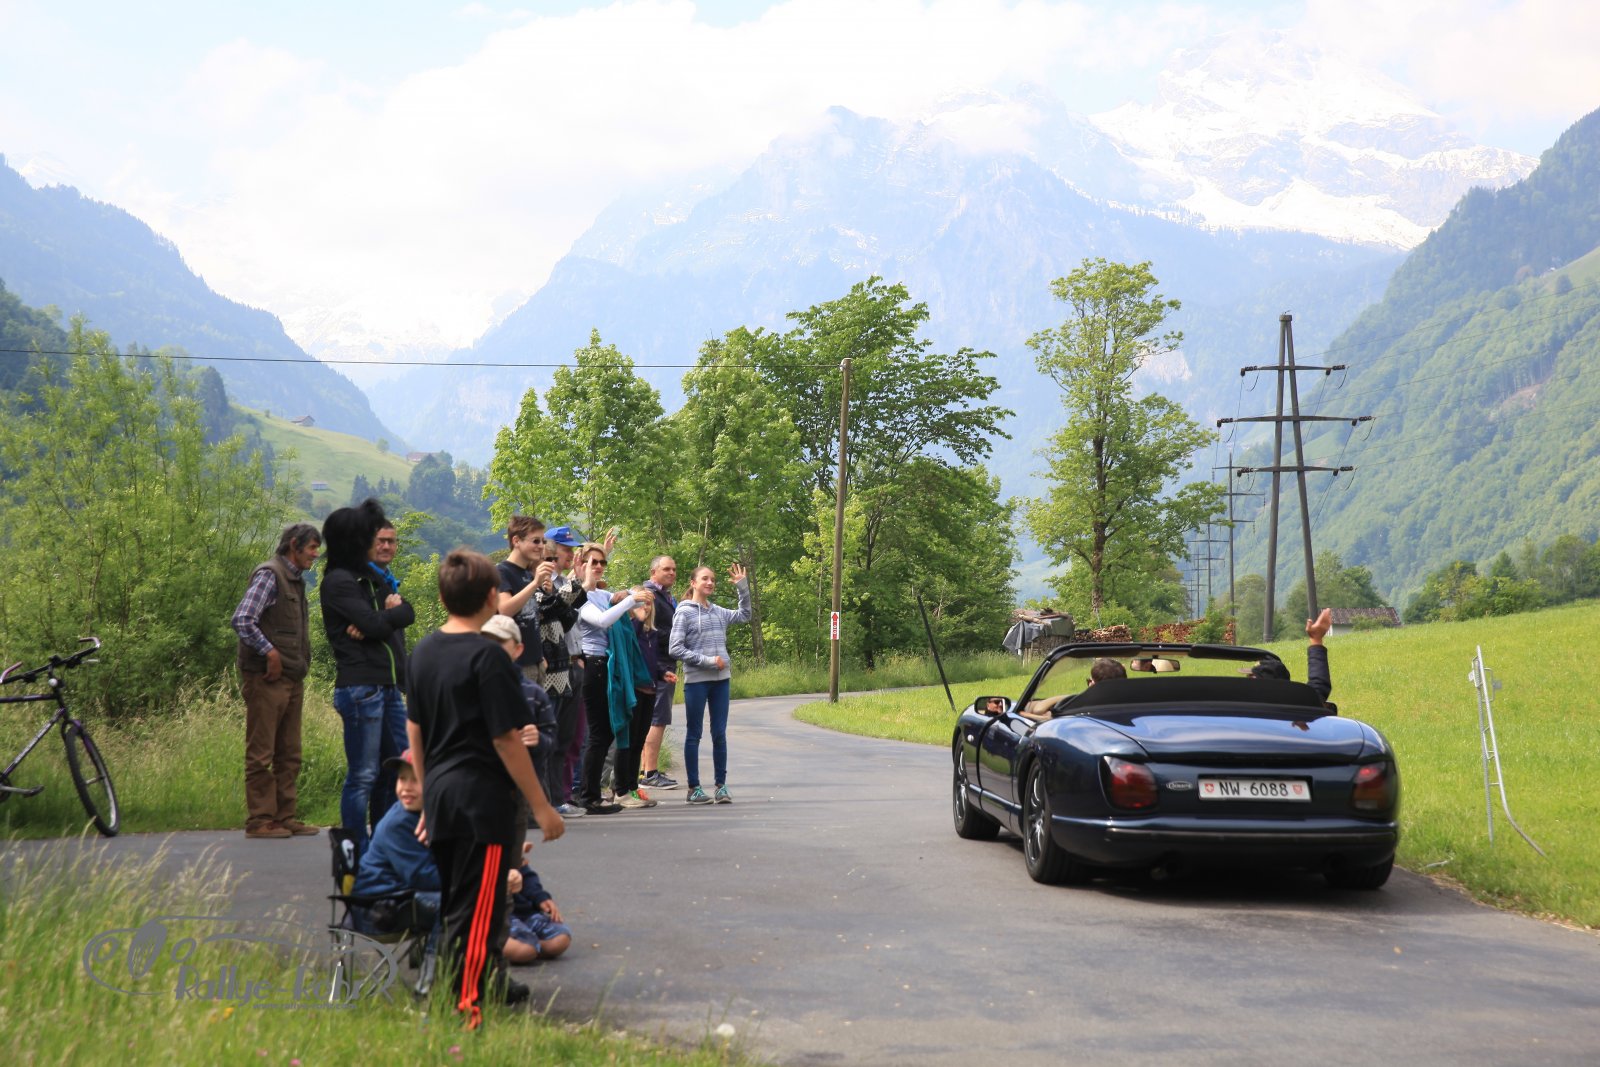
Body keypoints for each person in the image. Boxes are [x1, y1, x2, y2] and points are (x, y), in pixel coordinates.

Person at [405, 548, 564, 1028]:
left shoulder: (423, 651)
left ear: (441, 597)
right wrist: (542, 806)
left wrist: (427, 798)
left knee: (458, 903)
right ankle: (465, 1009)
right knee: (481, 910)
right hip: (483, 802)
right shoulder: (488, 656)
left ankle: (459, 996)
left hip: (442, 796)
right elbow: (506, 739)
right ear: (494, 597)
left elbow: (415, 731)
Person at [321, 500, 415, 856]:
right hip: (361, 687)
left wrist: (379, 620)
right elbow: (378, 622)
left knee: (395, 768)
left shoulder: (371, 578)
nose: (376, 543)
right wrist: (380, 619)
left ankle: (382, 846)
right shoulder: (339, 582)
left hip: (386, 686)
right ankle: (356, 851)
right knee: (363, 774)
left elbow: (404, 612)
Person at [232, 522, 322, 839]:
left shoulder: (295, 580)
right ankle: (260, 821)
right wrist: (269, 652)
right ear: (294, 545)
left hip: (291, 677)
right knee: (261, 753)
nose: (316, 554)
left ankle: (285, 817)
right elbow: (243, 619)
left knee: (289, 752)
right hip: (266, 679)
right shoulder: (270, 575)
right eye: (312, 547)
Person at [572, 542, 648, 814]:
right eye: (593, 562)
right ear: (580, 564)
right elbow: (603, 620)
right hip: (592, 665)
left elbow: (623, 602)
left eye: (603, 562)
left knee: (604, 734)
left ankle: (592, 794)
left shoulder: (602, 594)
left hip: (606, 666)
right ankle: (588, 796)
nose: (599, 567)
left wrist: (630, 594)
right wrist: (631, 599)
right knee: (597, 734)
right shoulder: (578, 595)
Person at [668, 563, 751, 805]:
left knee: (719, 734)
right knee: (694, 734)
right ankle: (693, 788)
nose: (710, 583)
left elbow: (745, 615)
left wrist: (742, 587)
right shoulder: (684, 612)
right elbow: (675, 648)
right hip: (696, 681)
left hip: (721, 682)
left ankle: (721, 786)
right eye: (705, 579)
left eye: (713, 579)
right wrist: (708, 661)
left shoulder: (718, 612)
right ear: (693, 583)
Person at [351, 749, 439, 938]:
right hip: (379, 910)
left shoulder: (423, 815)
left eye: (415, 780)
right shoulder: (398, 824)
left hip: (401, 896)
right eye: (402, 779)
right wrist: (466, 881)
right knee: (460, 902)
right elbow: (421, 876)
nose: (406, 787)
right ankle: (437, 956)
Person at [481, 613, 559, 810]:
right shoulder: (470, 690)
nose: (492, 648)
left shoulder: (533, 693)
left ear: (518, 649)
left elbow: (551, 741)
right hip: (483, 795)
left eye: (500, 642)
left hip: (525, 797)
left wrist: (538, 739)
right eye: (487, 642)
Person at [538, 525, 589, 816]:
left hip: (567, 665)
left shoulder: (556, 584)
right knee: (549, 738)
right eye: (565, 549)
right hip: (547, 669)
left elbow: (567, 619)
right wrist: (576, 584)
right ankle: (546, 801)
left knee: (565, 738)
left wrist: (577, 584)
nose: (570, 554)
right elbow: (552, 609)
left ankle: (558, 798)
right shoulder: (537, 584)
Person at [609, 593, 664, 810]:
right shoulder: (630, 627)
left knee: (639, 740)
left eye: (648, 604)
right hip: (634, 690)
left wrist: (663, 673)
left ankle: (633, 787)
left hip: (650, 689)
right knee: (628, 741)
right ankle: (621, 788)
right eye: (641, 604)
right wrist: (638, 620)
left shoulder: (652, 633)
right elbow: (629, 651)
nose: (646, 608)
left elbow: (651, 661)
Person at [495, 516, 557, 683]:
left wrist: (539, 656)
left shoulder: (526, 574)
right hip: (517, 665)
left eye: (543, 541)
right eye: (535, 541)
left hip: (536, 663)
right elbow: (504, 610)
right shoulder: (501, 572)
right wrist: (535, 583)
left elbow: (531, 618)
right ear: (516, 541)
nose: (541, 546)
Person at [638, 555, 679, 790]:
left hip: (662, 662)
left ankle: (645, 770)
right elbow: (648, 629)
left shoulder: (665, 595)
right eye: (666, 569)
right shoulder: (650, 594)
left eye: (673, 569)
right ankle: (651, 773)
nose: (671, 573)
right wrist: (679, 636)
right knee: (658, 719)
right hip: (659, 664)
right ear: (654, 572)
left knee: (652, 718)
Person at [1245, 608, 1334, 705]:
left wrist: (1316, 639)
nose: (1247, 684)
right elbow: (1318, 687)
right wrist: (1316, 639)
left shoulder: (1242, 707)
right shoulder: (1299, 706)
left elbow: (1319, 686)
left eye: (1251, 680)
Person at [502, 848, 573, 965]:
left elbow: (527, 877)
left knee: (560, 941)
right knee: (524, 951)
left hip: (523, 912)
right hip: (496, 915)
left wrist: (540, 897)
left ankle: (531, 947)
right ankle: (487, 947)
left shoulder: (512, 848)